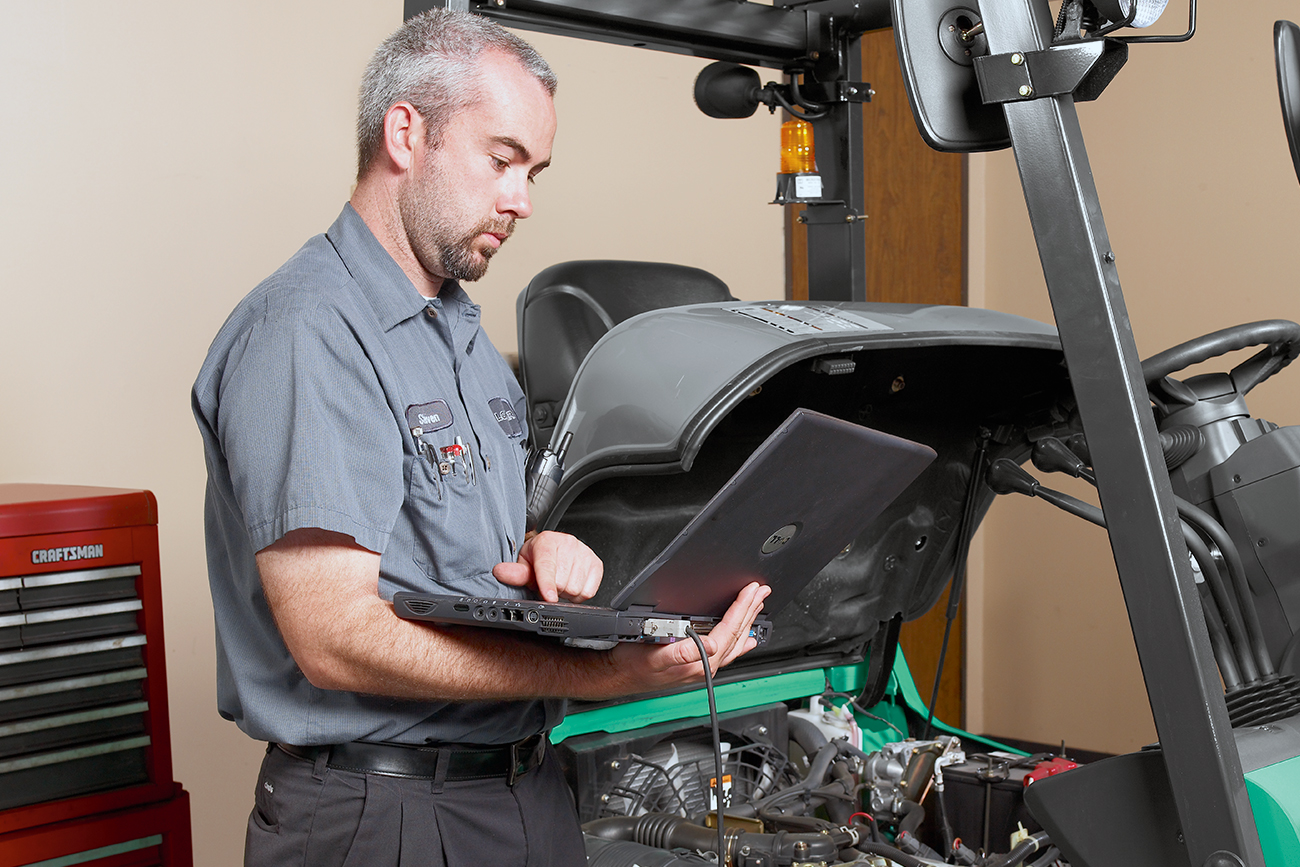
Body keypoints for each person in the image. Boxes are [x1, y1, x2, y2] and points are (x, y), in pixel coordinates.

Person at [192, 9, 770, 867]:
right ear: (405, 134)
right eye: (501, 161)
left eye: (534, 171)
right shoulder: (307, 330)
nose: (522, 200)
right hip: (380, 813)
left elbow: (446, 542)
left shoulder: (464, 341)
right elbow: (333, 634)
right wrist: (601, 676)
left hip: (521, 789)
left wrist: (542, 545)